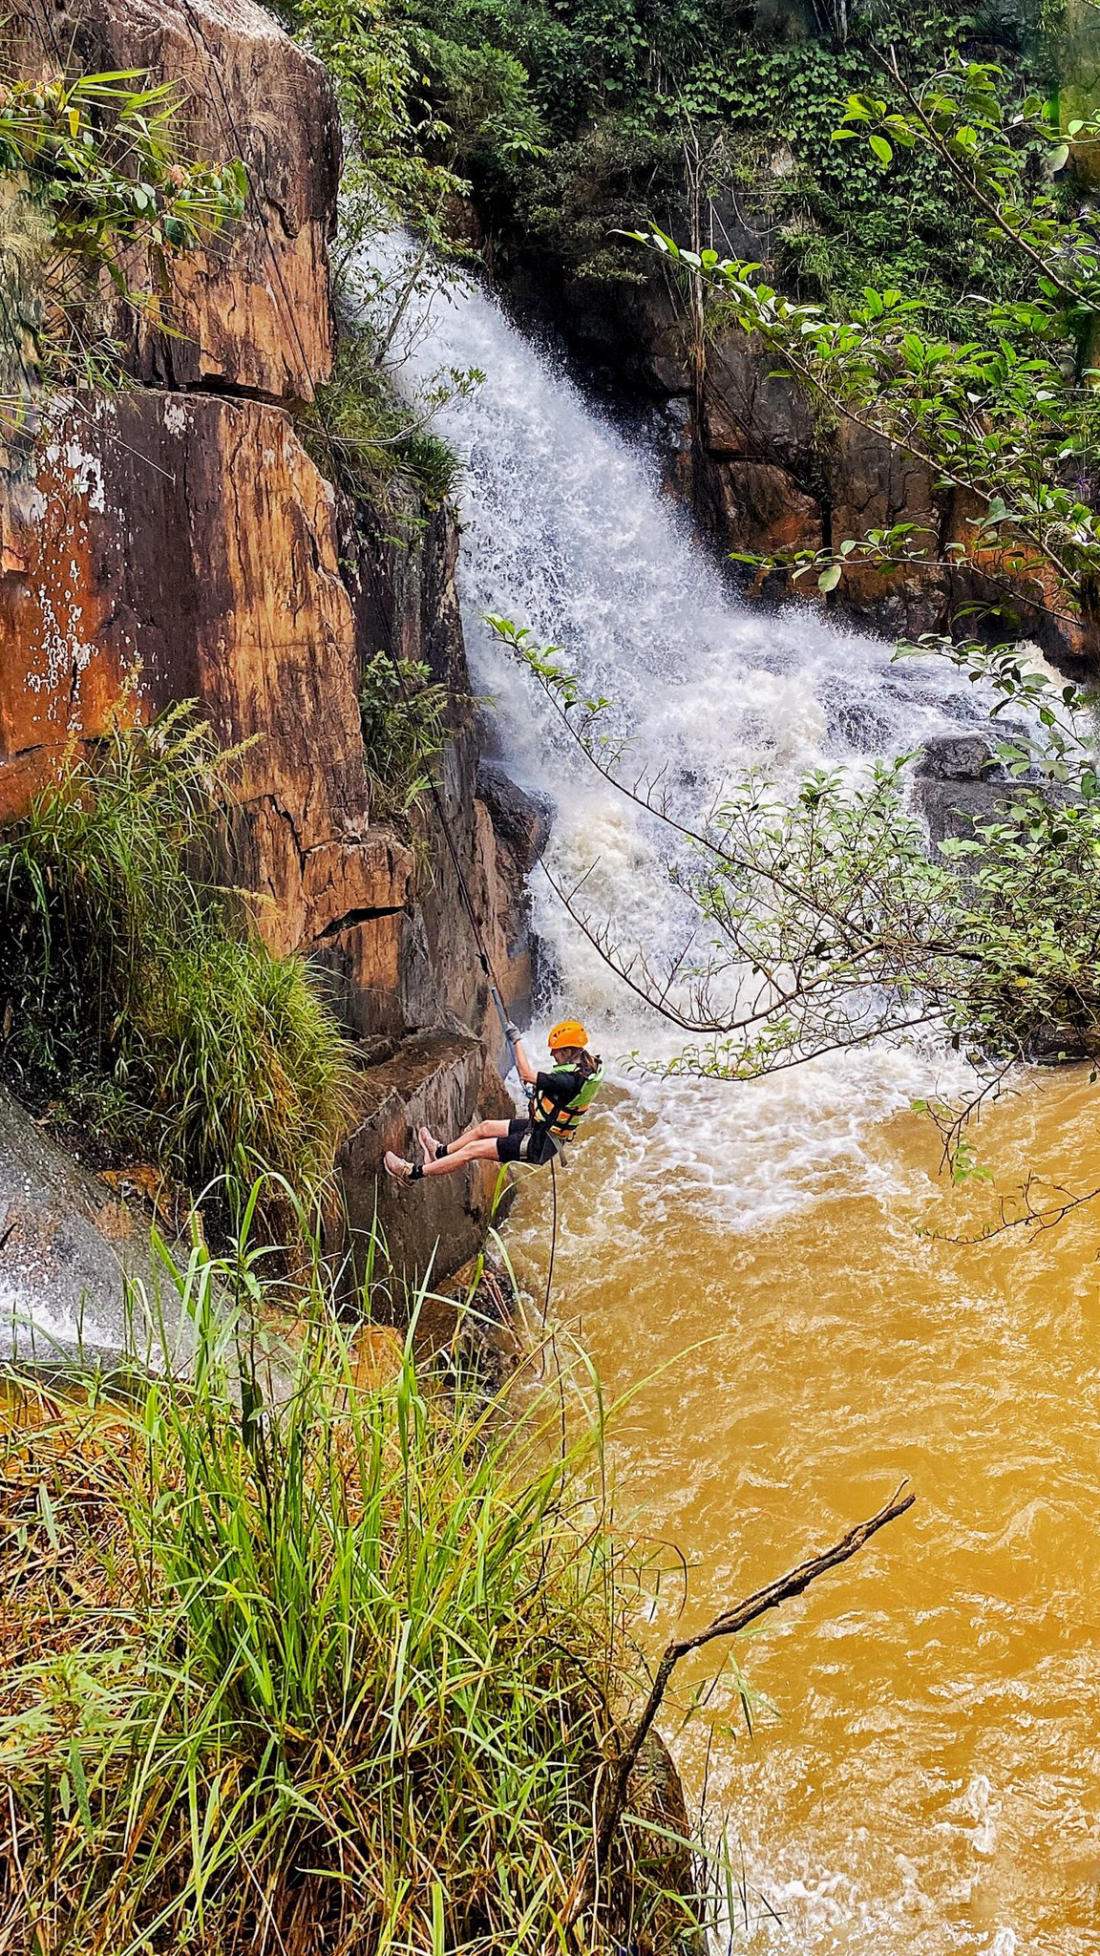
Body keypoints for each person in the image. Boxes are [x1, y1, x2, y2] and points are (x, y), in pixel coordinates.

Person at [383, 1018, 603, 1184]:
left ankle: (411, 1173)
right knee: (485, 1127)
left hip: (538, 1143)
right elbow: (559, 1093)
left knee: (473, 1150)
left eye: (555, 1052)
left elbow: (527, 1074)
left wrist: (515, 1041)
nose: (553, 1056)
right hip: (539, 1128)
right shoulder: (588, 1065)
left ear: (567, 1051)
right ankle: (440, 1152)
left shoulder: (568, 1079)